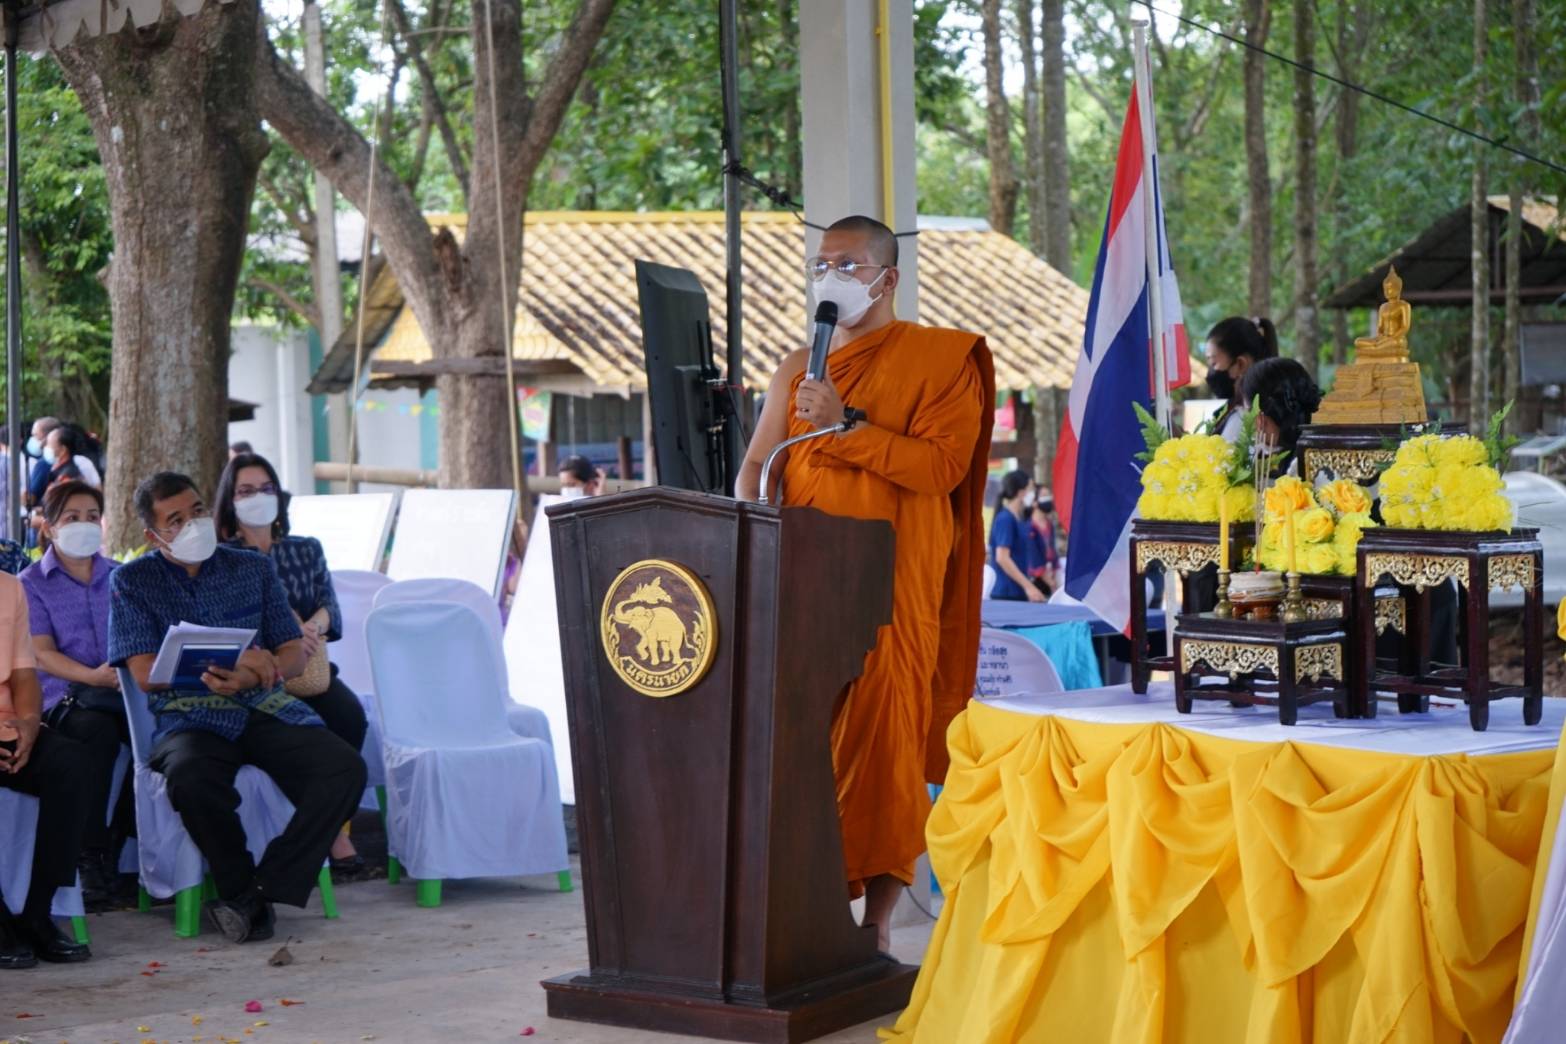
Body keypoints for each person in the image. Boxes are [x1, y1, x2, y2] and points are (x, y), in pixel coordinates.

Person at [736, 214, 993, 952]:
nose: (829, 278)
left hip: (889, 584)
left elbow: (941, 469)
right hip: (801, 579)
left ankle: (876, 924)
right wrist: (747, 523)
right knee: (801, 740)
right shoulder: (797, 365)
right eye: (822, 264)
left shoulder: (942, 361)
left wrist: (848, 427)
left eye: (846, 264)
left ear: (887, 279)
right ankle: (801, 908)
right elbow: (760, 463)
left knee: (886, 741)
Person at [108, 472, 366, 943]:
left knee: (344, 768)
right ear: (153, 535)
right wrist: (220, 661)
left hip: (262, 706)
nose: (193, 524)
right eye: (176, 520)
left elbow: (291, 653)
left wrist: (252, 673)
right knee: (191, 779)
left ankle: (258, 893)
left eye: (198, 510)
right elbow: (144, 673)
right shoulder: (132, 581)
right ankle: (238, 884)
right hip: (188, 717)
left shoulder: (251, 568)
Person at [213, 453, 369, 876]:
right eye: (245, 491)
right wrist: (285, 637)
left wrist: (310, 631)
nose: (258, 498)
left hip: (311, 666)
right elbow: (231, 620)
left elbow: (329, 608)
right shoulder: (223, 558)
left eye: (265, 489)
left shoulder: (305, 549)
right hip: (261, 673)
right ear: (230, 500)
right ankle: (332, 835)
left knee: (350, 718)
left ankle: (326, 820)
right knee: (295, 735)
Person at [20, 481, 132, 900]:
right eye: (71, 518)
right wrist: (94, 677)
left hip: (122, 693)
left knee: (162, 739)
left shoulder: (121, 576)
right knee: (96, 733)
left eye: (91, 517)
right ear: (49, 528)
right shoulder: (30, 583)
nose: (83, 526)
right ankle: (90, 855)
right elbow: (42, 653)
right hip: (60, 698)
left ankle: (125, 845)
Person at [0, 566, 94, 968]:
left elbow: (24, 675)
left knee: (71, 764)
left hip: (7, 728)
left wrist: (28, 726)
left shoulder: (8, 588)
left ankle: (37, 914)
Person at [1239, 356, 1323, 474]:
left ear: (1260, 419)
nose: (1246, 420)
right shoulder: (1325, 449)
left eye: (1248, 412)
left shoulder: (1293, 469)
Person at [1205, 316, 1279, 442]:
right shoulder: (1234, 409)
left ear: (1240, 364)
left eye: (1214, 363)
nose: (1211, 372)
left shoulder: (1247, 416)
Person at [988, 470, 1044, 603]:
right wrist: (1029, 587)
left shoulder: (1019, 518)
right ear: (1020, 492)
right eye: (1030, 489)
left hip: (1017, 592)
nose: (1033, 494)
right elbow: (1002, 558)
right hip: (1006, 594)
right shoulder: (1005, 519)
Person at [44, 423, 101, 490]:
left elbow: (97, 487)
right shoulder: (56, 466)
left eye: (49, 444)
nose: (45, 447)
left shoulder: (70, 474)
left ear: (63, 450)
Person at [1027, 492, 1061, 595]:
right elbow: (1033, 556)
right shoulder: (1028, 526)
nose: (1048, 499)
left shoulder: (1050, 524)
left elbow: (1052, 550)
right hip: (1035, 578)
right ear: (1034, 502)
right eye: (1044, 496)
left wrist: (1055, 571)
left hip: (1051, 574)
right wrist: (1050, 582)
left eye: (1049, 496)